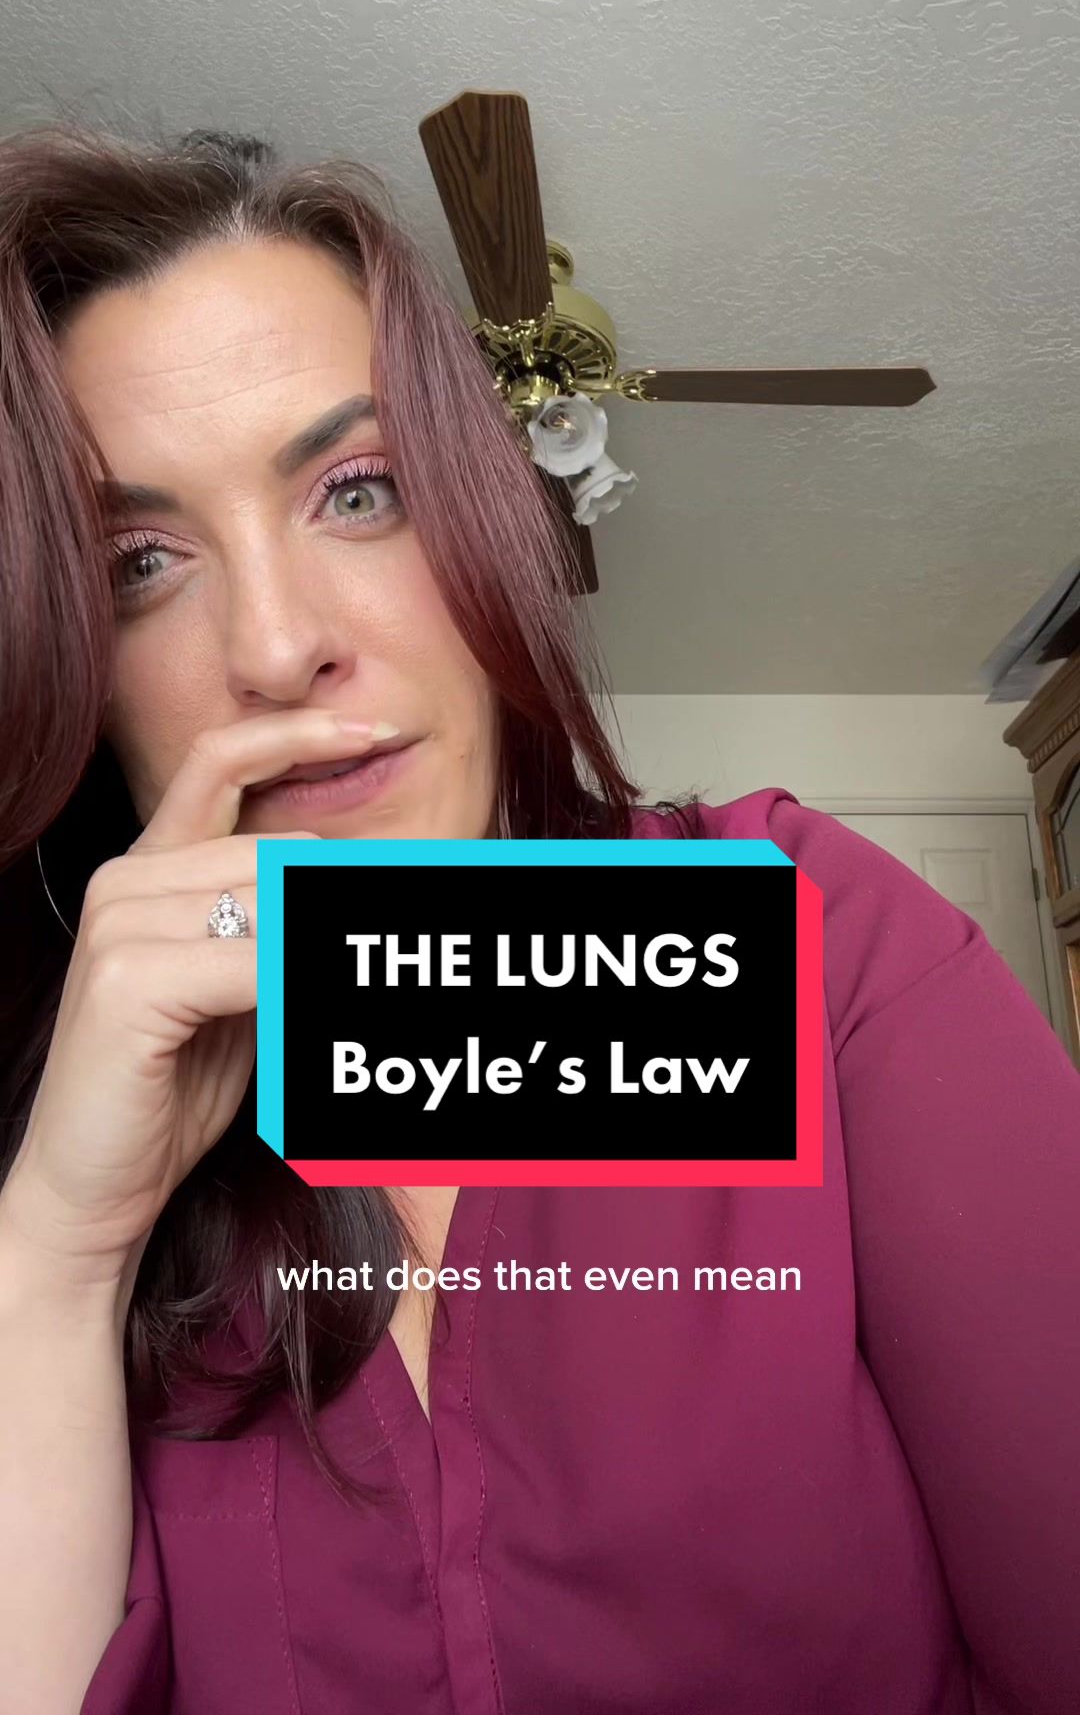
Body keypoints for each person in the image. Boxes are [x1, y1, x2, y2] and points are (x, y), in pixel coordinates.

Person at [0, 122, 1076, 1715]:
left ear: (482, 522)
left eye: (358, 490)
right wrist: (56, 1255)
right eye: (142, 561)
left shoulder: (797, 942)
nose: (279, 647)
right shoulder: (77, 1133)